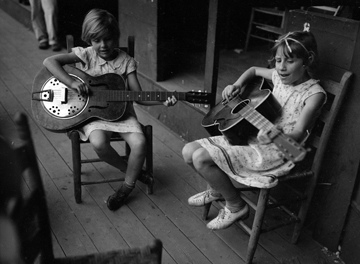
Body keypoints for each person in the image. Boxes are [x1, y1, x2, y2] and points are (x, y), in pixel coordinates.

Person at [182, 26, 326, 230]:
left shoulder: (314, 93)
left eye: (290, 61)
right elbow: (253, 70)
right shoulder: (278, 76)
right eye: (278, 60)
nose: (282, 67)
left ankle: (235, 205)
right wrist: (237, 85)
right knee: (188, 151)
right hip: (255, 137)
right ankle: (218, 189)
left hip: (282, 149)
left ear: (307, 60)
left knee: (200, 158)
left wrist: (277, 134)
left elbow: (299, 132)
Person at [43, 9, 177, 211]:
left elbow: (138, 97)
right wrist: (71, 82)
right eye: (97, 40)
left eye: (108, 39)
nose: (103, 45)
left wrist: (162, 101)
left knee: (140, 143)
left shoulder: (126, 62)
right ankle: (133, 172)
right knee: (99, 142)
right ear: (89, 39)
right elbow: (49, 61)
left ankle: (126, 188)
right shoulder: (84, 55)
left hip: (123, 114)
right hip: (94, 115)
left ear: (116, 36)